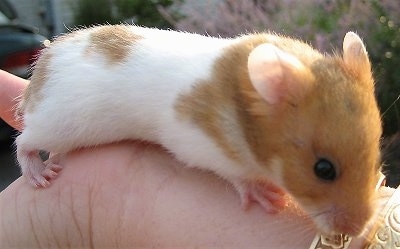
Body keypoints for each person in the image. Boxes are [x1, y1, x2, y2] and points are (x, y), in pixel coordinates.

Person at [0, 69, 397, 248]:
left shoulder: (264, 111)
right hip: (81, 84)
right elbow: (183, 137)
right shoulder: (225, 109)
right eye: (325, 172)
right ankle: (26, 147)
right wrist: (242, 178)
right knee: (52, 128)